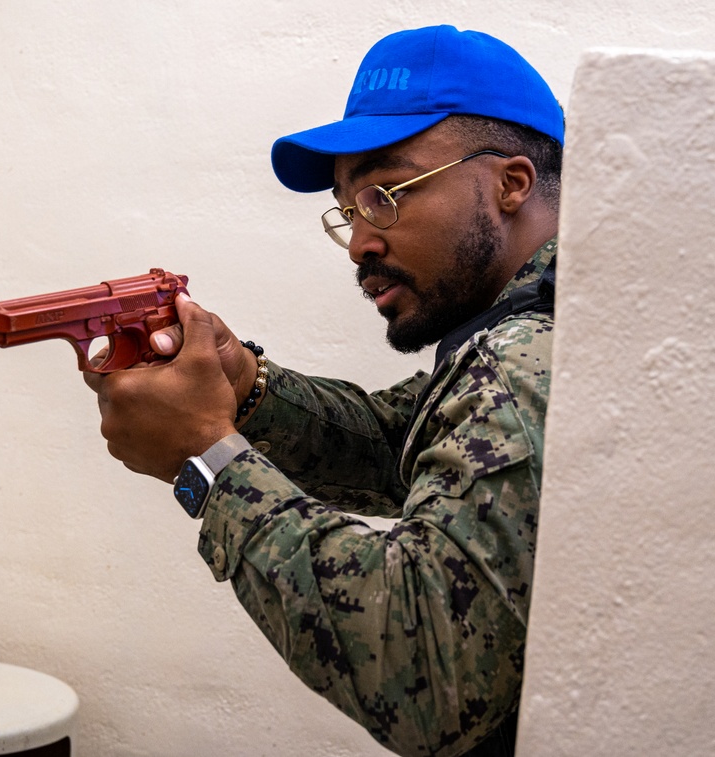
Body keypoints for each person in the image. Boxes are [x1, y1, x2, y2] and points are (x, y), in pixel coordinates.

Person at [84, 24, 563, 757]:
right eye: (348, 208)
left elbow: (427, 672)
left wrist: (207, 456)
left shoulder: (527, 355)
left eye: (387, 193)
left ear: (510, 182)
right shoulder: (542, 320)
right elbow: (399, 441)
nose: (362, 242)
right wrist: (246, 385)